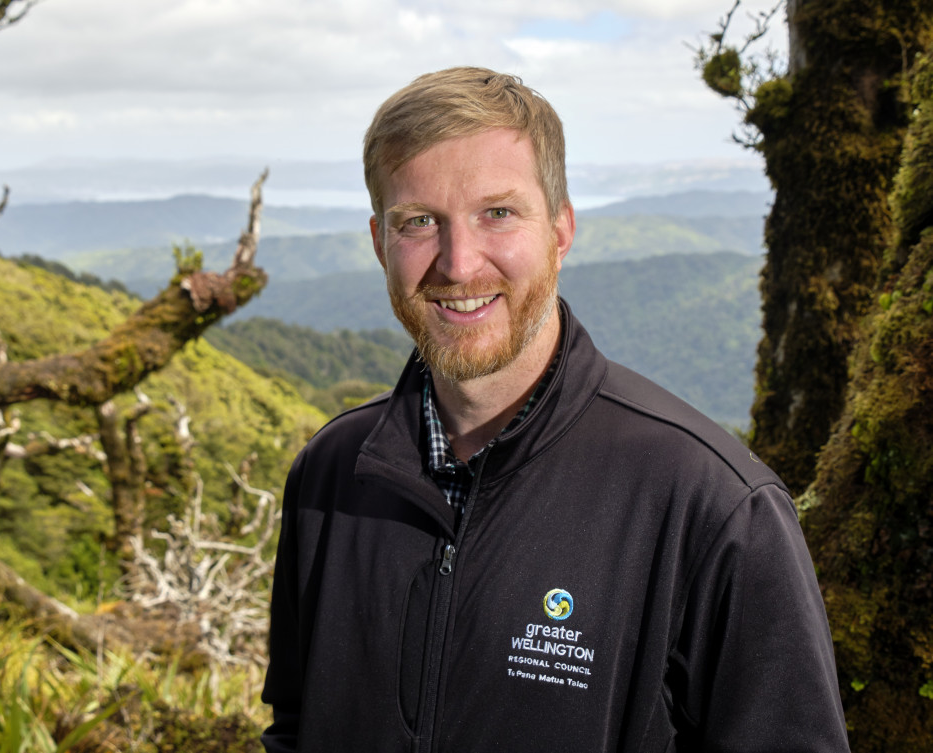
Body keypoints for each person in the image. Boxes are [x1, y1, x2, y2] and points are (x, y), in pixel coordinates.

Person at [260, 67, 850, 752]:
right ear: (378, 242)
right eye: (419, 221)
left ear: (561, 230)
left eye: (497, 213)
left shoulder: (711, 503)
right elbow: (299, 728)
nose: (458, 262)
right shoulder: (332, 476)